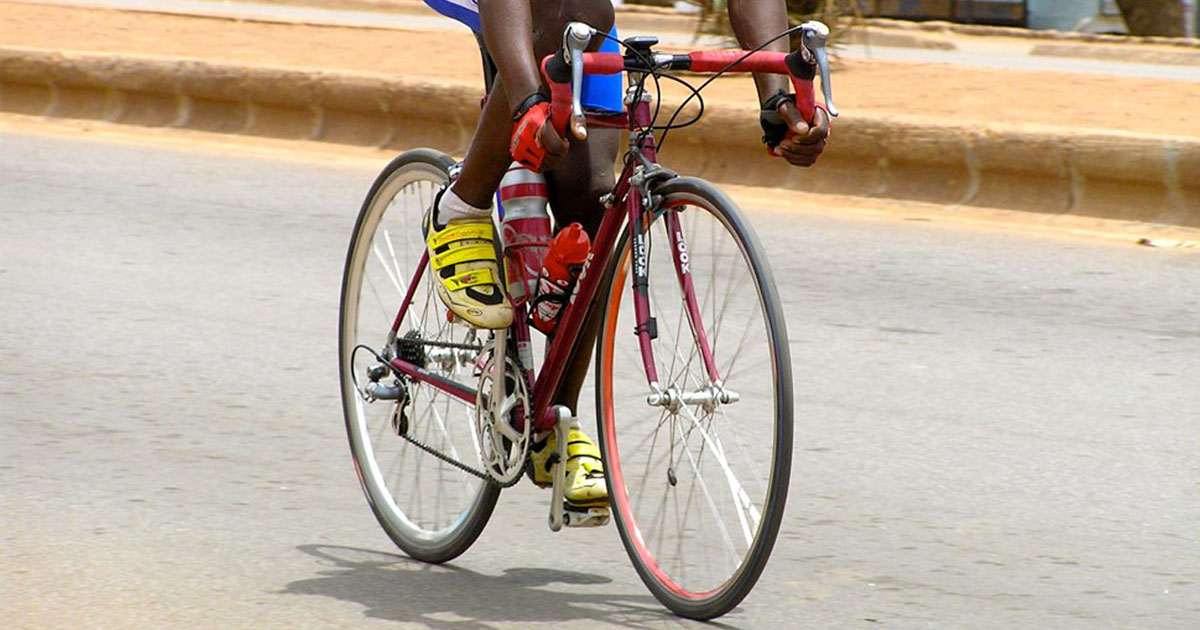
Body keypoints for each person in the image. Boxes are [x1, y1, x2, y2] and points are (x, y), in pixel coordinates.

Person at [420, 0, 830, 511]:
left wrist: (776, 96)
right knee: (563, 32)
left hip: (580, 16)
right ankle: (462, 206)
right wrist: (528, 104)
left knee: (593, 200)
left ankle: (556, 423)